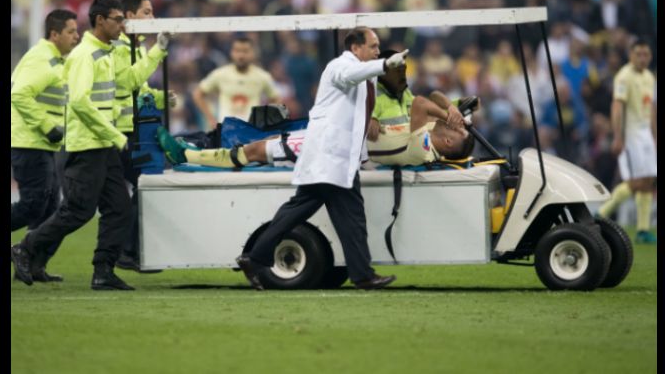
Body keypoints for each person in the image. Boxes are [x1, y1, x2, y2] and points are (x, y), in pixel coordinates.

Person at [234, 27, 408, 290]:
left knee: (307, 211)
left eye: (378, 47)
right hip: (329, 158)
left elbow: (358, 116)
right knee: (349, 218)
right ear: (355, 48)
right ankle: (362, 275)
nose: (376, 51)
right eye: (373, 46)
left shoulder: (366, 75)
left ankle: (255, 257)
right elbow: (349, 77)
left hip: (337, 160)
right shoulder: (339, 66)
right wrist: (383, 64)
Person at [11, 0, 136, 290]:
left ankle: (102, 271)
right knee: (71, 210)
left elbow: (108, 97)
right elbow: (78, 101)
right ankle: (26, 248)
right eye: (118, 19)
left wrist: (158, 51)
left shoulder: (99, 54)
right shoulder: (82, 56)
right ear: (101, 20)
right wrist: (115, 134)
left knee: (119, 208)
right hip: (83, 145)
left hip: (99, 145)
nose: (122, 25)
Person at [156, 90, 473, 169]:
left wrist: (448, 112)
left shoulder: (424, 144)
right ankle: (190, 153)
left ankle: (185, 155)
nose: (450, 123)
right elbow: (433, 97)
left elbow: (420, 102)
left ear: (447, 139)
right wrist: (453, 109)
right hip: (336, 140)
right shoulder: (431, 134)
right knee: (263, 142)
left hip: (331, 150)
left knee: (255, 151)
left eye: (455, 128)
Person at [11, 9, 79, 282]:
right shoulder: (40, 59)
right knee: (34, 205)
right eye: (71, 31)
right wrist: (48, 126)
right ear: (54, 34)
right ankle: (25, 255)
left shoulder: (56, 60)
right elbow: (18, 94)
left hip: (42, 143)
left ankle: (33, 263)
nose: (77, 36)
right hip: (29, 141)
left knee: (50, 206)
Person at [112, 0, 173, 272]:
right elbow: (130, 82)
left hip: (131, 132)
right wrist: (159, 50)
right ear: (129, 16)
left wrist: (162, 98)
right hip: (119, 133)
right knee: (143, 186)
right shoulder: (119, 49)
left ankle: (130, 252)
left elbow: (142, 92)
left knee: (142, 188)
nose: (153, 17)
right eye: (147, 12)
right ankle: (127, 252)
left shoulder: (134, 48)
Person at [597, 40, 657, 243]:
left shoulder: (649, 77)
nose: (642, 58)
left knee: (649, 180)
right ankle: (601, 214)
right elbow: (617, 107)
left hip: (646, 136)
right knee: (635, 182)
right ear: (631, 55)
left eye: (646, 54)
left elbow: (652, 110)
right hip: (630, 136)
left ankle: (642, 230)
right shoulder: (624, 76)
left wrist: (654, 137)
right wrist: (618, 136)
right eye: (638, 54)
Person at [191, 37, 280, 130]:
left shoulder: (262, 76)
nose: (241, 55)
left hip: (251, 131)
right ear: (231, 52)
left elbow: (276, 98)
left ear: (253, 53)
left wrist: (266, 120)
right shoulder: (221, 74)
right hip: (226, 131)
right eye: (237, 51)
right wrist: (210, 118)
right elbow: (197, 94)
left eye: (245, 51)